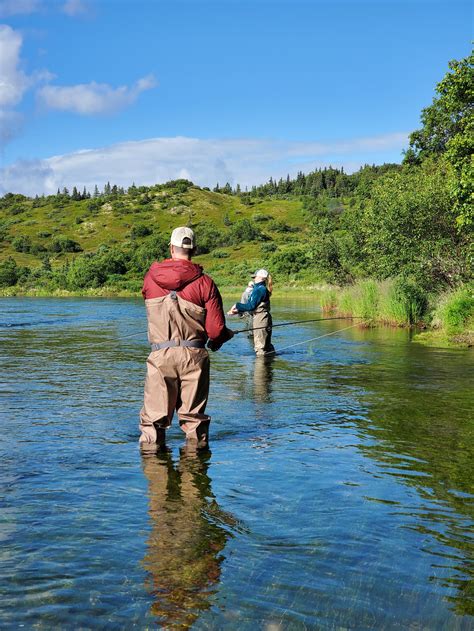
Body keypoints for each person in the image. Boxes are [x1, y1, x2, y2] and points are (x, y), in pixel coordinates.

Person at [139, 226, 234, 449]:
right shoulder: (205, 283)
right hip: (194, 357)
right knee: (193, 422)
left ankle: (157, 474)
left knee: (153, 423)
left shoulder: (150, 279)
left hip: (160, 354)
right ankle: (194, 475)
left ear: (171, 248)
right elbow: (216, 331)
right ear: (194, 249)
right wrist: (221, 338)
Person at [227, 268, 275, 356]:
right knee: (267, 346)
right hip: (264, 317)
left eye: (255, 277)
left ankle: (260, 369)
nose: (253, 279)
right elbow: (253, 306)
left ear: (261, 278)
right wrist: (237, 311)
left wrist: (237, 305)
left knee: (260, 348)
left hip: (260, 319)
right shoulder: (262, 288)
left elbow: (251, 306)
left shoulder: (259, 290)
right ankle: (269, 367)